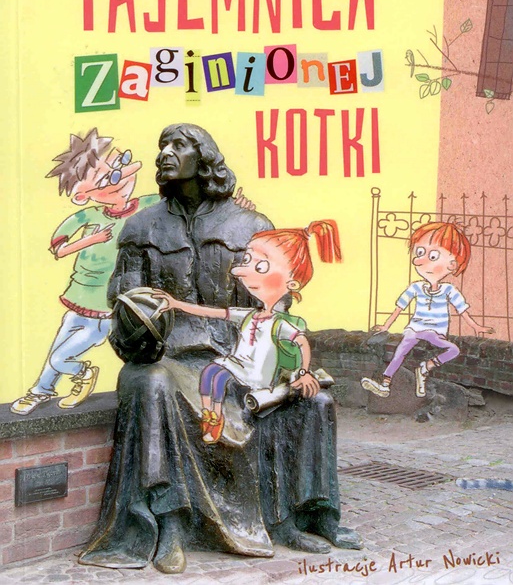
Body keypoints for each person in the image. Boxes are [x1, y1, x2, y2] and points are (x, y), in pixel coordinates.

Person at [79, 123, 361, 576]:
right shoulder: (140, 227)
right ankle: (168, 523)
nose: (166, 153)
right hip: (169, 357)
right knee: (150, 383)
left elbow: (273, 305)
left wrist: (287, 365)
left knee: (315, 401)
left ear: (205, 157)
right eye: (163, 145)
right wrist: (136, 331)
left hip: (240, 355)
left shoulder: (251, 227)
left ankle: (298, 519)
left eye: (179, 145)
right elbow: (124, 299)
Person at [10, 130, 158, 415]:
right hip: (77, 297)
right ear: (82, 196)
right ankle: (40, 391)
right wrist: (91, 240)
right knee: (56, 349)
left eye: (122, 164)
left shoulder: (146, 205)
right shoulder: (88, 216)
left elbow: (183, 203)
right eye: (108, 179)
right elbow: (59, 248)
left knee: (61, 357)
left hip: (104, 307)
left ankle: (84, 374)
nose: (122, 179)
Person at [153, 220, 341, 443]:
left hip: (256, 373)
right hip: (237, 364)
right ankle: (211, 415)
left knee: (219, 378)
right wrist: (176, 304)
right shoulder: (249, 315)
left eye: (261, 267)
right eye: (247, 260)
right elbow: (213, 313)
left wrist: (303, 372)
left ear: (292, 284)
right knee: (210, 372)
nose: (240, 271)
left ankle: (215, 415)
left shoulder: (279, 324)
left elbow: (301, 342)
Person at [361, 221, 494, 399]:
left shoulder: (449, 290)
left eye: (432, 256)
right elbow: (399, 308)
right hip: (415, 328)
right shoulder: (416, 288)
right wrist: (386, 326)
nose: (419, 260)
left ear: (452, 264)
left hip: (435, 332)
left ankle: (425, 368)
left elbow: (462, 311)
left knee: (453, 350)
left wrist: (477, 327)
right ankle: (385, 383)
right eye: (419, 253)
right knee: (401, 350)